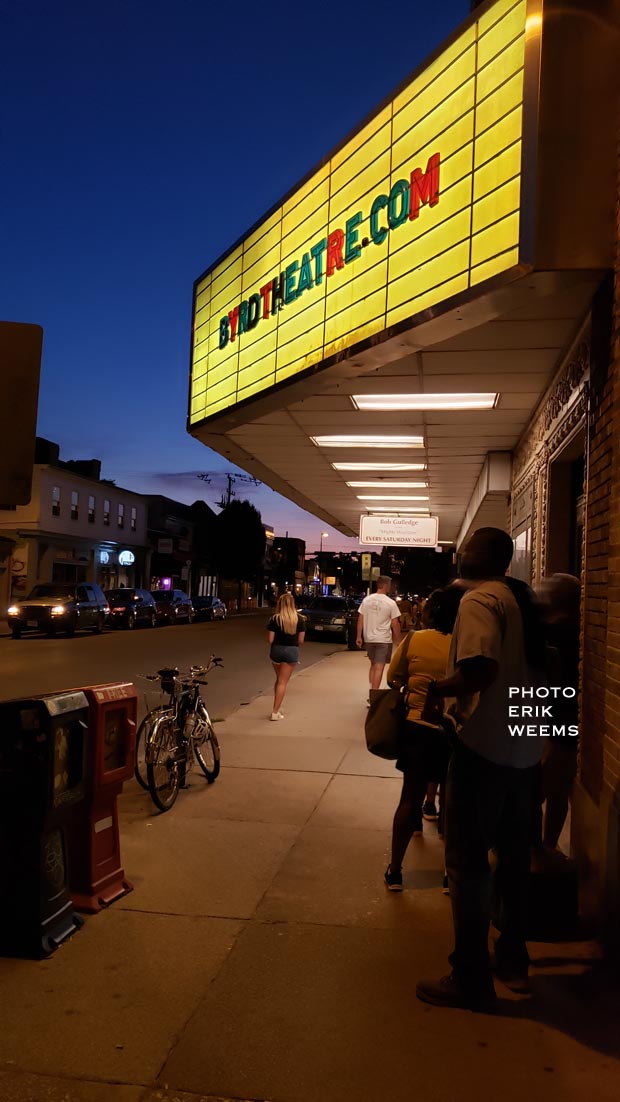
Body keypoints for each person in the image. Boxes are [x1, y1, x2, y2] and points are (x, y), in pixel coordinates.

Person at [416, 527, 546, 1011]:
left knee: (468, 864)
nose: (459, 551)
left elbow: (480, 670)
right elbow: (541, 671)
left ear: (478, 555)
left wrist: (436, 692)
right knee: (513, 860)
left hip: (484, 749)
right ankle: (513, 957)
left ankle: (469, 977)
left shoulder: (480, 601)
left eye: (465, 545)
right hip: (525, 753)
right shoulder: (521, 600)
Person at [384, 586, 465, 891]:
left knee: (409, 800)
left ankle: (395, 871)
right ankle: (448, 873)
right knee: (451, 802)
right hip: (454, 731)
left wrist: (413, 686)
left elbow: (393, 677)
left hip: (417, 727)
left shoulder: (416, 639)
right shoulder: (464, 645)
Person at [537, 573, 581, 849]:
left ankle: (533, 851)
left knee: (534, 791)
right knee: (558, 793)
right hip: (568, 722)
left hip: (549, 723)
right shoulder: (581, 629)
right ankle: (548, 848)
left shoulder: (549, 632)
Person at [356, 576, 402, 695]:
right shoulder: (390, 603)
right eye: (390, 585)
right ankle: (374, 695)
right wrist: (399, 641)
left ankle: (371, 689)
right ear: (386, 585)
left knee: (373, 665)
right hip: (383, 639)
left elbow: (360, 618)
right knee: (379, 667)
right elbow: (395, 623)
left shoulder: (367, 600)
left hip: (369, 638)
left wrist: (359, 636)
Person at [267, 592, 306, 721]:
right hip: (291, 650)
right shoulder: (299, 619)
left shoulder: (274, 619)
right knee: (283, 682)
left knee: (279, 680)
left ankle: (278, 706)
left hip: (276, 650)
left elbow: (270, 639)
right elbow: (301, 640)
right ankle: (275, 712)